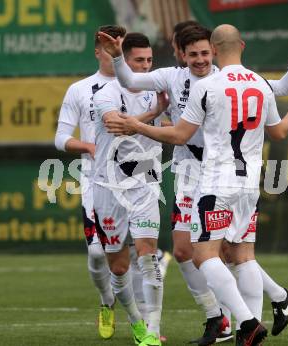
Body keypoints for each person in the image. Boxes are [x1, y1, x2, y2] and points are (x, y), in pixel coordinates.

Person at [98, 23, 288, 345]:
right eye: (193, 54)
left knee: (205, 255)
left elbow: (178, 135)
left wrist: (136, 124)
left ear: (215, 51)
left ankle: (243, 321)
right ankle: (251, 317)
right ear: (241, 45)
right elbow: (279, 131)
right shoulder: (257, 83)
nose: (200, 58)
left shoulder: (210, 86)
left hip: (215, 180)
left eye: (205, 52)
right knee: (241, 255)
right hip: (247, 182)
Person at [93, 32, 168, 346]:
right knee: (119, 266)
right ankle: (135, 320)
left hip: (145, 182)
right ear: (123, 60)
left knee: (148, 255)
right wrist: (153, 115)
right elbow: (117, 126)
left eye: (149, 60)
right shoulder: (106, 93)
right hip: (109, 185)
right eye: (139, 60)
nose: (146, 66)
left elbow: (173, 127)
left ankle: (150, 330)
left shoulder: (159, 91)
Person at [54, 25, 125, 340]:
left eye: (119, 47)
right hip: (95, 185)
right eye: (108, 48)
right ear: (97, 51)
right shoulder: (80, 89)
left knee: (132, 256)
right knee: (98, 255)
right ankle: (106, 300)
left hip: (135, 184)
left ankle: (148, 325)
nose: (114, 53)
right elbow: (60, 139)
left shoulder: (138, 85)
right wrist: (88, 146)